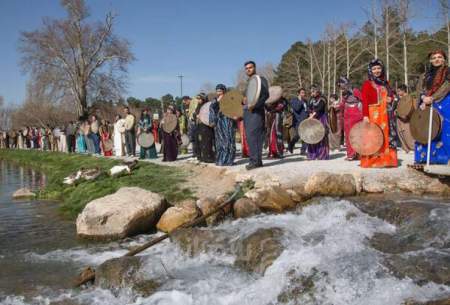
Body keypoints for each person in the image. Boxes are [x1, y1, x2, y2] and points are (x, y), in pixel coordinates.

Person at [360, 59, 398, 168]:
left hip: (387, 114)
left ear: (382, 69)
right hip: (374, 114)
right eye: (374, 68)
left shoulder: (386, 83)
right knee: (374, 135)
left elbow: (391, 96)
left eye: (379, 68)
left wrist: (391, 99)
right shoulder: (367, 84)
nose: (377, 71)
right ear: (370, 70)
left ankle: (388, 160)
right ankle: (373, 161)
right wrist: (365, 115)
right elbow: (365, 101)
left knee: (387, 136)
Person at [414, 49, 450, 164]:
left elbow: (446, 87)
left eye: (439, 57)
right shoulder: (425, 75)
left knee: (444, 129)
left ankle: (445, 158)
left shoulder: (448, 72)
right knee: (425, 129)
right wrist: (423, 99)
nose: (437, 59)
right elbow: (419, 89)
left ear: (444, 59)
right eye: (434, 58)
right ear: (430, 61)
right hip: (426, 104)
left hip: (444, 103)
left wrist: (433, 98)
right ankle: (424, 158)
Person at [242, 61, 270, 170]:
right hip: (248, 113)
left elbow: (265, 95)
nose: (248, 69)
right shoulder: (248, 82)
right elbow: (248, 98)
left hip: (256, 112)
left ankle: (256, 161)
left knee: (255, 136)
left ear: (255, 68)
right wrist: (243, 101)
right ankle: (254, 160)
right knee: (249, 137)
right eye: (246, 68)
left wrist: (255, 105)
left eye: (250, 67)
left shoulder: (260, 80)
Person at [210, 84, 237, 166]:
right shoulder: (214, 100)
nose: (219, 92)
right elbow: (211, 110)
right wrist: (212, 121)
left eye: (220, 91)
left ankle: (229, 160)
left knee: (229, 140)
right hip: (219, 123)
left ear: (224, 91)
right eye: (217, 91)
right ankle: (220, 160)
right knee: (220, 141)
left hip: (228, 122)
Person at [337, 77, 363, 160]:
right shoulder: (344, 93)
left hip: (356, 113)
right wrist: (337, 107)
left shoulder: (355, 91)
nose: (341, 88)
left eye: (342, 86)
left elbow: (363, 100)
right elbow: (343, 103)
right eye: (340, 87)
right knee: (348, 135)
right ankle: (351, 154)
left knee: (358, 134)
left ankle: (359, 154)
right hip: (347, 115)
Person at [307, 85, 329, 160]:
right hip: (312, 119)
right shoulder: (311, 99)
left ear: (317, 91)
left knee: (321, 135)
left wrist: (312, 115)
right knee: (312, 135)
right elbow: (309, 107)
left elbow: (320, 108)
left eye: (313, 91)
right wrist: (310, 114)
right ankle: (312, 154)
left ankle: (322, 154)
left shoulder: (322, 99)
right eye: (311, 92)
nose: (312, 93)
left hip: (320, 119)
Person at [195, 93, 215, 163]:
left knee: (207, 142)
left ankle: (208, 157)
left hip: (207, 127)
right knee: (200, 141)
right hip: (200, 126)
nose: (198, 100)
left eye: (200, 99)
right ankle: (201, 156)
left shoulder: (208, 106)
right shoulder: (198, 106)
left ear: (203, 99)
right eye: (198, 99)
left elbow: (210, 115)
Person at [288, 88, 309, 154]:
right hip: (298, 120)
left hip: (305, 120)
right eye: (302, 93)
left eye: (304, 93)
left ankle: (303, 150)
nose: (304, 94)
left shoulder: (305, 101)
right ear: (298, 93)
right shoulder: (294, 100)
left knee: (305, 136)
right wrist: (300, 101)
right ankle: (291, 145)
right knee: (298, 135)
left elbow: (307, 109)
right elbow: (296, 108)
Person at [395, 84, 415, 153]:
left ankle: (412, 148)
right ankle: (405, 148)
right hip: (399, 118)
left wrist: (401, 114)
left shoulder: (408, 97)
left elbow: (408, 109)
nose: (397, 93)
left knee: (407, 133)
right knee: (401, 133)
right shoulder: (400, 99)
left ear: (403, 90)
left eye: (399, 91)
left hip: (406, 119)